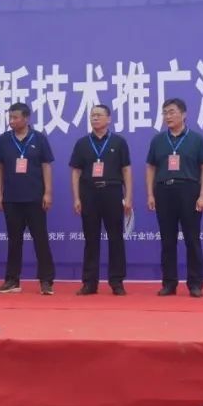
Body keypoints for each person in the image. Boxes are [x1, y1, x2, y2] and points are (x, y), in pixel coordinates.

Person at [145, 98, 203, 298]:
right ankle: (169, 283)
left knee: (192, 239)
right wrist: (150, 193)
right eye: (165, 112)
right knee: (167, 240)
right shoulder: (157, 140)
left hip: (189, 191)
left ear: (184, 114)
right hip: (164, 191)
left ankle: (195, 284)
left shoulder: (196, 139)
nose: (168, 116)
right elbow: (150, 167)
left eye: (172, 112)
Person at [0, 102, 56, 296]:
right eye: (10, 117)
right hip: (12, 198)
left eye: (15, 117)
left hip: (35, 197)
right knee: (14, 241)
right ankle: (12, 280)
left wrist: (48, 192)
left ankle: (46, 281)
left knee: (40, 239)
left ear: (26, 118)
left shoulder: (39, 138)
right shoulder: (4, 139)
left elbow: (46, 166)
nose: (11, 121)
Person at [69, 104, 132, 296]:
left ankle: (117, 282)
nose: (94, 118)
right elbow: (76, 172)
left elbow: (126, 170)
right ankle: (90, 283)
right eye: (92, 115)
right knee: (91, 239)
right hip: (89, 193)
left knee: (116, 238)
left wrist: (128, 196)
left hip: (112, 191)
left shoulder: (119, 142)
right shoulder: (82, 143)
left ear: (109, 119)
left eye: (98, 115)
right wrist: (76, 197)